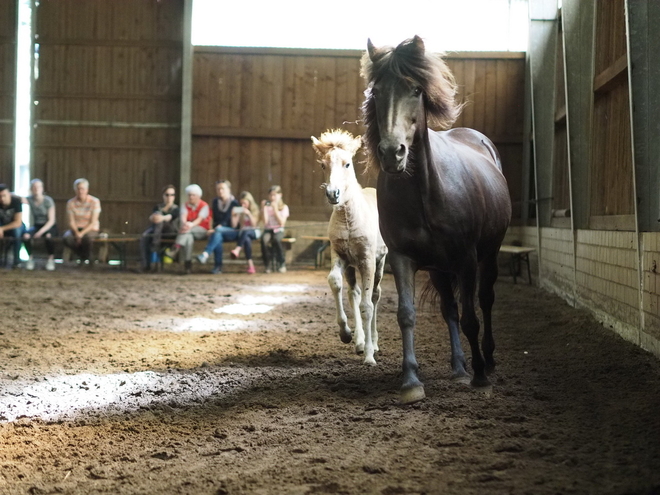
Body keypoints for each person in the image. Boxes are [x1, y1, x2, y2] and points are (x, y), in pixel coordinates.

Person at [196, 180, 239, 274]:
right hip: (218, 230)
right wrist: (211, 228)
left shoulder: (234, 203)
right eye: (218, 189)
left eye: (222, 188)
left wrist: (218, 227)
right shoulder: (215, 202)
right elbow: (212, 217)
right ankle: (218, 266)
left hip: (232, 230)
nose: (220, 191)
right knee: (217, 237)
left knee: (218, 231)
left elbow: (231, 222)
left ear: (228, 190)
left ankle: (205, 254)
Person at [164, 184, 210, 274]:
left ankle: (175, 249)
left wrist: (190, 225)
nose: (191, 197)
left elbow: (200, 219)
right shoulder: (185, 205)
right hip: (188, 231)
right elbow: (183, 217)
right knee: (188, 238)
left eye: (193, 195)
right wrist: (185, 224)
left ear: (198, 196)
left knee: (187, 231)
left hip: (202, 230)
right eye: (189, 195)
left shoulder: (204, 206)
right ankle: (187, 266)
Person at [139, 184, 179, 272]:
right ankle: (146, 265)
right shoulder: (158, 207)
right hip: (156, 232)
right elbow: (152, 218)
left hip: (170, 233)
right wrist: (156, 217)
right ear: (163, 196)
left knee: (160, 222)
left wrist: (161, 217)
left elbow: (170, 217)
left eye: (172, 195)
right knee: (144, 237)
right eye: (167, 195)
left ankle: (154, 250)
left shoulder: (176, 208)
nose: (169, 197)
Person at [63, 178, 101, 263]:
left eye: (82, 189)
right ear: (75, 190)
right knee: (67, 238)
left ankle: (84, 258)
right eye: (78, 189)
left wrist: (81, 234)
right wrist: (77, 233)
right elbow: (71, 221)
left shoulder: (95, 201)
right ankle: (84, 256)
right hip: (76, 228)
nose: (80, 191)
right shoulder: (71, 202)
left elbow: (93, 222)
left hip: (90, 229)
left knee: (87, 238)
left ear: (87, 189)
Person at [22, 178, 57, 271]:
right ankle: (30, 258)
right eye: (34, 187)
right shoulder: (30, 199)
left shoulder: (48, 201)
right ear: (31, 189)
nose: (36, 189)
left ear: (42, 188)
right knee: (25, 236)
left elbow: (51, 220)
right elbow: (18, 198)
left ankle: (50, 259)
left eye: (38, 187)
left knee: (48, 236)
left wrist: (41, 232)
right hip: (37, 225)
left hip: (49, 226)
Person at [260, 185, 290, 273]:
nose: (272, 197)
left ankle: (281, 263)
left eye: (274, 195)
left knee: (277, 240)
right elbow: (265, 222)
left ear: (280, 195)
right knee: (264, 240)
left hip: (279, 230)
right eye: (270, 195)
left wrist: (275, 209)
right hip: (268, 229)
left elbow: (282, 223)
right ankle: (267, 265)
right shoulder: (267, 206)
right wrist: (264, 209)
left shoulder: (284, 207)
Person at [229, 191, 260, 274]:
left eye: (245, 203)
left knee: (247, 232)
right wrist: (234, 215)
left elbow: (254, 225)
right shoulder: (240, 210)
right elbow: (234, 225)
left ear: (249, 202)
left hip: (254, 231)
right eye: (241, 203)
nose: (243, 205)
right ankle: (251, 266)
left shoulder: (255, 209)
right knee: (246, 240)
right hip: (243, 234)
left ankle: (237, 249)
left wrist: (249, 214)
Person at [0, 184, 25, 268]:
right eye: (0, 196)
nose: (2, 199)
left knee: (16, 231)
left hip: (16, 227)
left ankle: (17, 261)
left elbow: (18, 222)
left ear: (9, 194)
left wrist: (2, 229)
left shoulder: (16, 202)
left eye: (4, 196)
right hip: (2, 226)